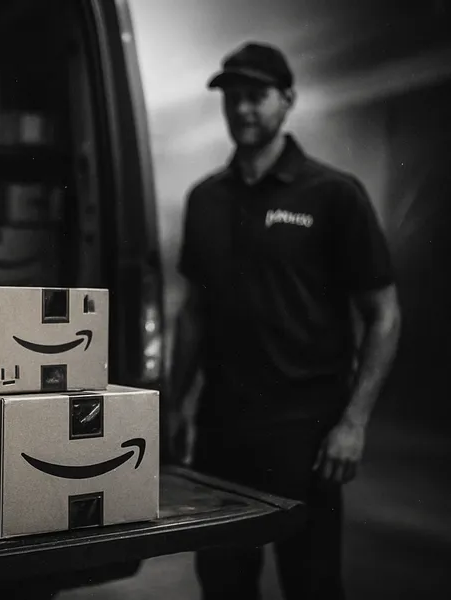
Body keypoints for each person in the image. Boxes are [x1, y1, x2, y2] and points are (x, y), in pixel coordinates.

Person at [168, 41, 402, 600]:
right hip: (221, 430)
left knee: (311, 583)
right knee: (223, 584)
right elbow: (194, 312)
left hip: (305, 432)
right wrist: (173, 404)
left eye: (256, 95)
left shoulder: (333, 194)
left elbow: (384, 314)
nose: (242, 109)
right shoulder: (205, 199)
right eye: (232, 97)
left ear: (288, 99)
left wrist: (354, 423)